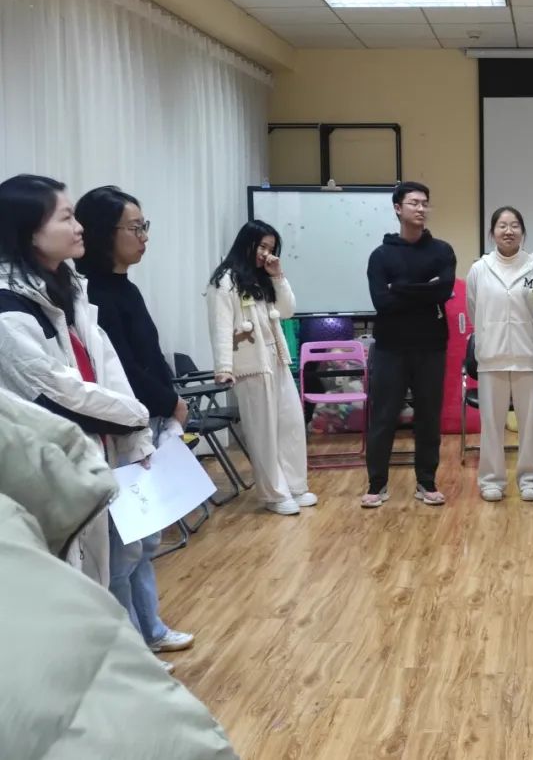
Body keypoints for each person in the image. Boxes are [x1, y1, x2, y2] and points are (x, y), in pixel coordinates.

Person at [0, 386, 238, 760]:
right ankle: (142, 634)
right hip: (99, 444)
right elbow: (61, 392)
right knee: (118, 567)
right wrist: (141, 415)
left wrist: (139, 428)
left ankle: (151, 631)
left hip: (110, 444)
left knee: (138, 550)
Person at [0, 174, 153, 586]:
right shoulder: (8, 308)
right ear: (30, 231)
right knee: (72, 578)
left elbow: (106, 365)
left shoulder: (69, 288)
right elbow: (58, 394)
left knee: (114, 564)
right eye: (66, 217)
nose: (78, 227)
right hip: (51, 469)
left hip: (98, 447)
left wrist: (137, 437)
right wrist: (138, 417)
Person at [76, 185, 195, 659]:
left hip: (152, 421)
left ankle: (152, 629)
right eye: (136, 227)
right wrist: (168, 400)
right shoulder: (93, 294)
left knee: (146, 539)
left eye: (145, 226)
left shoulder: (124, 286)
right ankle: (132, 650)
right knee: (123, 548)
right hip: (124, 428)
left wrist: (171, 399)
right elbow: (121, 369)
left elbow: (150, 355)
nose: (144, 236)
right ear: (105, 232)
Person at [207, 220, 315, 516]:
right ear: (247, 243)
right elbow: (220, 325)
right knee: (263, 432)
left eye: (271, 248)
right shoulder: (225, 280)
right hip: (250, 366)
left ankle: (295, 486)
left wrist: (278, 276)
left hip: (276, 360)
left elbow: (287, 310)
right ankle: (274, 494)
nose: (266, 253)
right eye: (262, 246)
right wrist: (223, 366)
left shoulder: (262, 278)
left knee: (291, 424)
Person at [362, 181, 456, 509]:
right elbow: (381, 302)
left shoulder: (442, 251)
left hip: (431, 346)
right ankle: (377, 484)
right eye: (414, 202)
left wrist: (399, 287)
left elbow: (443, 290)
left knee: (428, 417)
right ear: (398, 208)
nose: (421, 208)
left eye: (424, 203)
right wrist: (423, 290)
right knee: (383, 416)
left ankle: (426, 483)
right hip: (390, 347)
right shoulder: (381, 255)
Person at [466, 206, 533, 502]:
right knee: (491, 423)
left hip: (529, 355)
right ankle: (492, 480)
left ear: (523, 231)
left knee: (531, 424)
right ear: (492, 233)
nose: (509, 231)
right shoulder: (479, 269)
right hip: (492, 357)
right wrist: (489, 336)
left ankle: (531, 479)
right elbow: (474, 309)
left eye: (515, 225)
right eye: (502, 225)